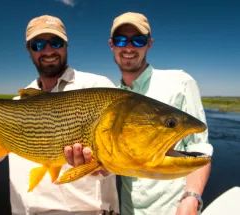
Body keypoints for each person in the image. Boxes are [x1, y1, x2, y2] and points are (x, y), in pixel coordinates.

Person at [0, 15, 119, 215]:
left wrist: (105, 168)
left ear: (66, 45)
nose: (48, 50)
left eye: (56, 42)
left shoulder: (98, 88)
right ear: (29, 51)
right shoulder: (16, 105)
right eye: (39, 44)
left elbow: (120, 154)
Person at [64, 12, 214, 215]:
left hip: (175, 208)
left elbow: (199, 148)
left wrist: (192, 198)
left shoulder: (180, 82)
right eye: (121, 40)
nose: (128, 47)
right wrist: (99, 166)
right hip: (128, 209)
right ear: (112, 45)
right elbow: (115, 164)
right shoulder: (111, 97)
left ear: (149, 44)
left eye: (138, 39)